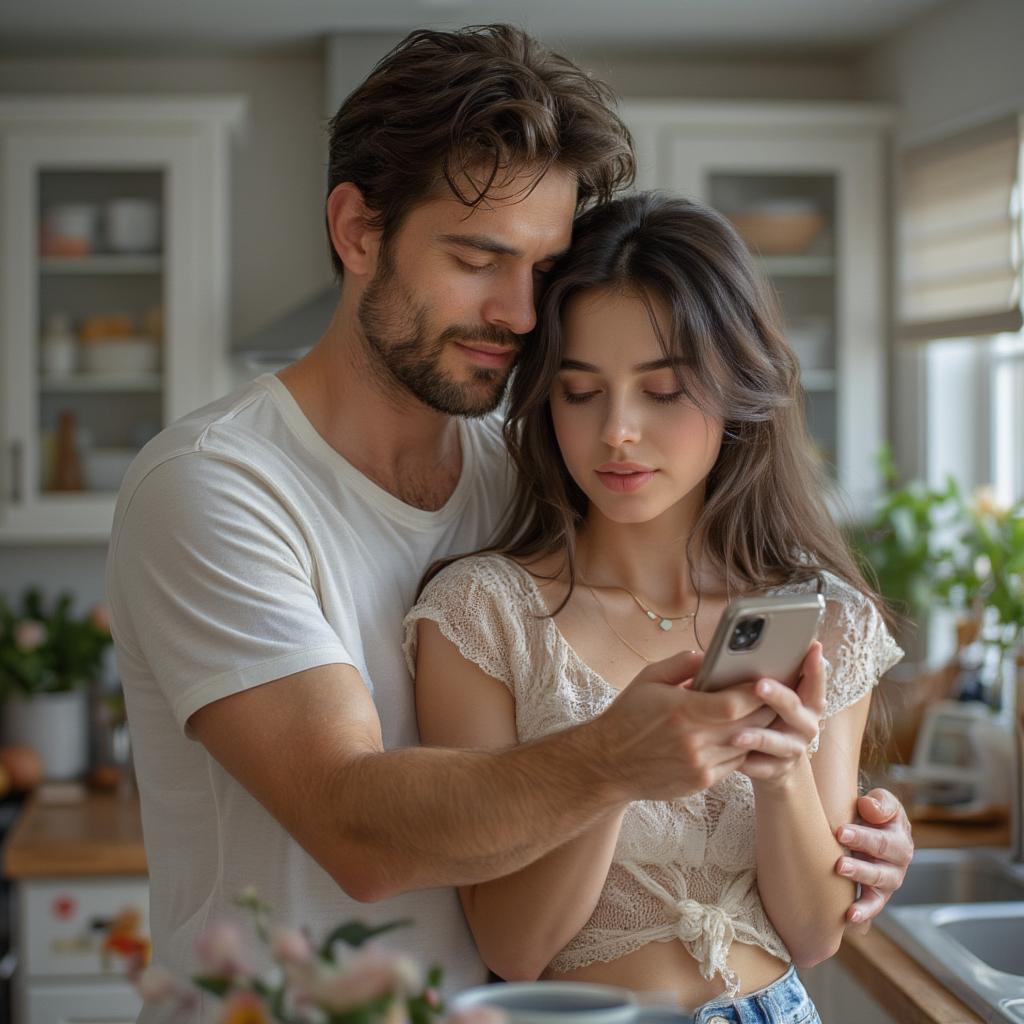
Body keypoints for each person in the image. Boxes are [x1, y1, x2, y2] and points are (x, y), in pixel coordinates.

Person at [105, 25, 912, 1019]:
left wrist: (847, 827)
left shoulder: (522, 474)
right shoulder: (218, 488)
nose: (524, 315)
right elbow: (356, 828)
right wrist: (618, 758)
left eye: (542, 269)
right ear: (357, 232)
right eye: (479, 258)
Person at [405, 193, 905, 1022]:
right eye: (580, 392)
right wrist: (614, 764)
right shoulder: (480, 617)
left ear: (734, 391)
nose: (617, 432)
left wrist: (780, 778)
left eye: (663, 390)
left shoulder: (826, 618)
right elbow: (512, 947)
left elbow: (816, 936)